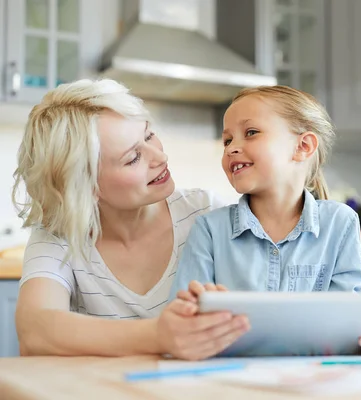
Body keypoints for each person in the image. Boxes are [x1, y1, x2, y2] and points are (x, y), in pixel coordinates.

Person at [172, 86, 361, 356]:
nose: (232, 148)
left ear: (303, 146)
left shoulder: (340, 223)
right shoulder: (209, 230)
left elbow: (345, 322)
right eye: (227, 140)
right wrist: (199, 311)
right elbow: (182, 321)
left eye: (250, 132)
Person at [12, 79, 249, 360]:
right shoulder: (61, 234)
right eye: (133, 157)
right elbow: (34, 332)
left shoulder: (205, 212)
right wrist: (159, 336)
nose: (160, 156)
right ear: (87, 186)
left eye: (149, 136)